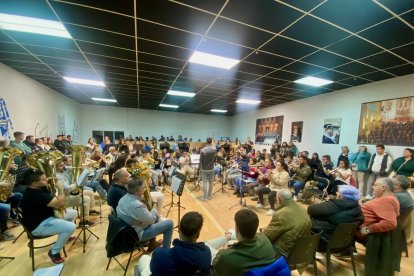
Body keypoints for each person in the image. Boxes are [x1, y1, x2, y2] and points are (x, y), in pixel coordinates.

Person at [20, 169, 77, 264]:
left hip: (45, 217)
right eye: (43, 180)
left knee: (73, 213)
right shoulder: (35, 194)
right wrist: (60, 189)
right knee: (71, 227)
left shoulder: (37, 189)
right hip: (38, 226)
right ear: (34, 183)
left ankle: (65, 236)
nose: (46, 180)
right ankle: (54, 252)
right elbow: (60, 204)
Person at [138, 212, 212, 276]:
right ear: (198, 234)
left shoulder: (159, 254)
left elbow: (153, 270)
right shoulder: (206, 253)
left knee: (144, 258)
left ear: (179, 230)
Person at [212, 209, 275, 276]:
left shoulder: (226, 257)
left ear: (236, 229)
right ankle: (230, 236)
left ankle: (228, 236)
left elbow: (215, 264)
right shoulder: (265, 239)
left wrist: (223, 250)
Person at [116, 178, 173, 250]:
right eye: (143, 188)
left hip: (128, 231)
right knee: (169, 223)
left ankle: (153, 243)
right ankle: (166, 251)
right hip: (137, 235)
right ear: (138, 192)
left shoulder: (123, 198)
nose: (145, 189)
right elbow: (151, 220)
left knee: (154, 217)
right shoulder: (137, 205)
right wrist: (154, 205)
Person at [263, 189, 311, 257]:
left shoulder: (280, 214)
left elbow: (267, 237)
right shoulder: (302, 207)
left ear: (279, 199)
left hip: (285, 253)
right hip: (302, 250)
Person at [357, 178, 400, 242]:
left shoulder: (388, 200)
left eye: (375, 185)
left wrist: (367, 230)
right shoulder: (388, 197)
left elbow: (390, 223)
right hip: (359, 225)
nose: (372, 187)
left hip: (361, 230)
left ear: (383, 188)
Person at [56, 160, 96, 226]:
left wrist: (82, 171)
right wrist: (77, 183)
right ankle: (83, 221)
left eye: (63, 164)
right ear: (56, 167)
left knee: (90, 192)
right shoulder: (58, 177)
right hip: (63, 198)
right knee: (85, 199)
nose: (64, 166)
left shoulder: (64, 172)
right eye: (61, 166)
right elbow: (68, 188)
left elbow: (73, 180)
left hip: (69, 194)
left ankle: (90, 210)